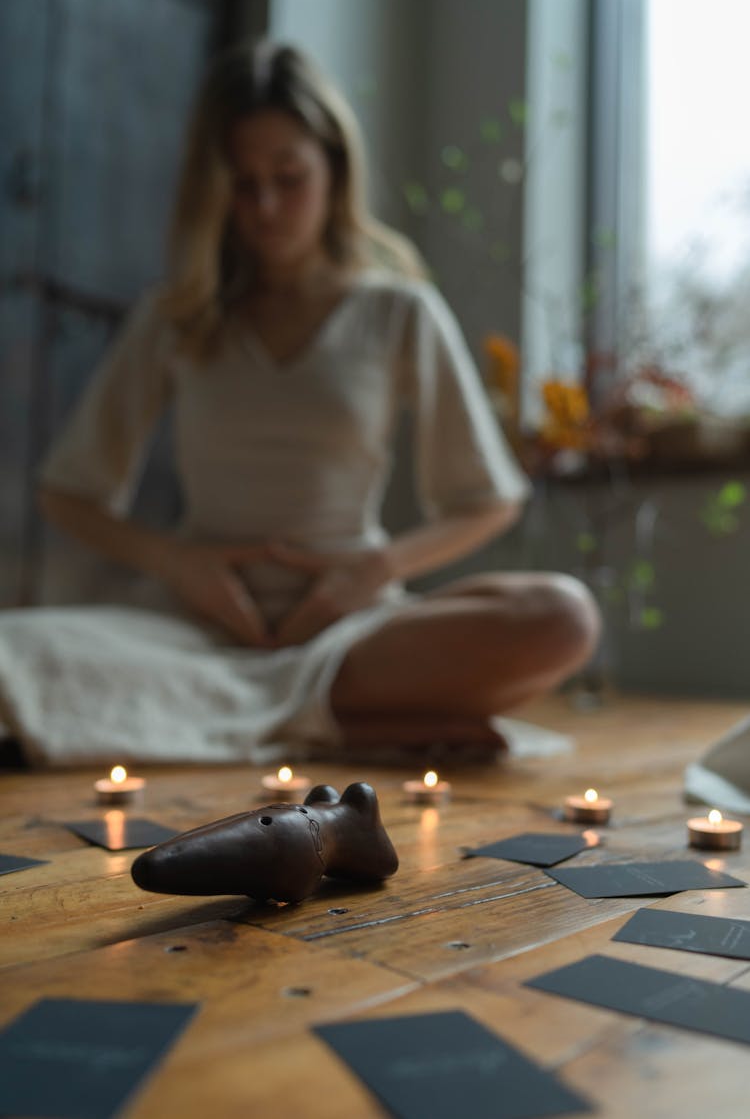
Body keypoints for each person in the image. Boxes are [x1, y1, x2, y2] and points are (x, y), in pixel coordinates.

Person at [0, 40, 599, 767]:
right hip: (191, 640)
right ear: (213, 191)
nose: (267, 207)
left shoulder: (397, 309)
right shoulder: (176, 318)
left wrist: (374, 568)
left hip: (351, 639)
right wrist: (178, 562)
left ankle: (249, 718)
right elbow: (69, 493)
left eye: (289, 177)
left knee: (560, 616)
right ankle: (346, 727)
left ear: (335, 170)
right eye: (243, 185)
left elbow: (488, 498)